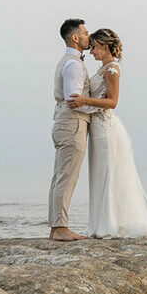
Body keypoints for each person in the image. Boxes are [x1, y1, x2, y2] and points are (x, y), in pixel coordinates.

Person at [67, 28, 147, 241]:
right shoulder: (102, 70)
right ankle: (101, 223)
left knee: (109, 173)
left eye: (94, 48)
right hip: (97, 127)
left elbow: (112, 102)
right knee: (99, 174)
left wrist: (84, 101)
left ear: (104, 46)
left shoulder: (112, 70)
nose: (91, 52)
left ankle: (110, 225)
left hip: (106, 128)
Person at [48, 18, 91, 241]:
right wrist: (102, 108)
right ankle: (60, 228)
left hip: (64, 122)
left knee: (60, 176)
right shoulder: (74, 64)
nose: (88, 36)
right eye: (85, 32)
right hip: (72, 122)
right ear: (75, 37)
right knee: (66, 177)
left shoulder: (69, 61)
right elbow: (75, 100)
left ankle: (56, 227)